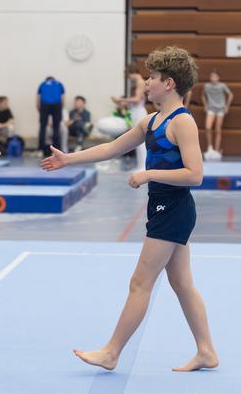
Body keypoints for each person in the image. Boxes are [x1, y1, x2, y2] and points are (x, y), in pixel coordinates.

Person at [41, 46, 218, 373]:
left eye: (151, 78)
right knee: (182, 283)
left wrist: (149, 174)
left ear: (169, 83)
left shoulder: (182, 123)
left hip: (173, 208)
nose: (146, 83)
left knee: (140, 283)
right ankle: (206, 351)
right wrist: (69, 158)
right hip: (164, 206)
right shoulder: (152, 121)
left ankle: (111, 352)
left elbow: (195, 174)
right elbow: (111, 147)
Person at [111, 63, 148, 170]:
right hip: (135, 111)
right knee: (137, 140)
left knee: (141, 141)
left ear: (131, 73)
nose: (129, 78)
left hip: (139, 112)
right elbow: (135, 102)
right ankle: (141, 165)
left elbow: (136, 99)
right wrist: (122, 103)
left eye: (128, 76)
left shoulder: (140, 82)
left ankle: (143, 167)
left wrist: (120, 99)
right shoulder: (137, 83)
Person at [202, 70, 233, 161]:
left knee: (218, 129)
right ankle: (210, 147)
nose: (213, 78)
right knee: (208, 127)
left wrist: (227, 106)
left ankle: (216, 150)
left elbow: (230, 95)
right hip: (211, 108)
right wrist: (205, 104)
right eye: (212, 77)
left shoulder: (222, 86)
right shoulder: (207, 86)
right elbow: (203, 95)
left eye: (215, 77)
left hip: (220, 109)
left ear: (218, 78)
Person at [37, 76, 65, 156]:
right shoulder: (59, 84)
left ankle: (40, 150)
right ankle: (56, 150)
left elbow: (38, 98)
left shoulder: (42, 84)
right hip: (57, 105)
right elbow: (62, 98)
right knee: (56, 127)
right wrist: (60, 108)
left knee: (42, 127)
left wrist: (39, 109)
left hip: (44, 105)